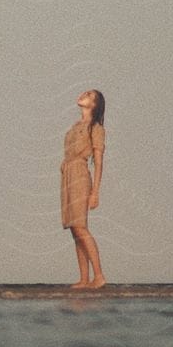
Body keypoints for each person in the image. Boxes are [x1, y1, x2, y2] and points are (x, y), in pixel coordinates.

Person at [60, 89, 107, 288]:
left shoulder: (95, 128)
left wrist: (95, 191)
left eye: (88, 95)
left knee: (80, 226)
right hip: (68, 173)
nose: (82, 95)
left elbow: (98, 160)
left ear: (94, 104)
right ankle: (84, 278)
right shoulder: (75, 127)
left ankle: (99, 276)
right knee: (74, 228)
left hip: (80, 173)